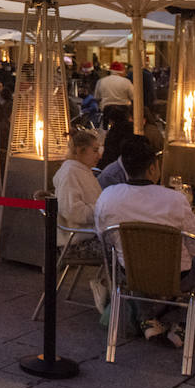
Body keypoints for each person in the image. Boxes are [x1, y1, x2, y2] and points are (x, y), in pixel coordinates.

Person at [94, 137, 195, 348]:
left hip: (131, 275)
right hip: (177, 278)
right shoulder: (175, 200)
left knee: (129, 259)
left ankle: (147, 320)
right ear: (153, 168)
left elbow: (104, 237)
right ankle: (181, 322)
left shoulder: (108, 197)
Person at [53, 128, 108, 311]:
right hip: (77, 240)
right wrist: (100, 210)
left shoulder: (82, 171)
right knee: (124, 250)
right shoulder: (70, 173)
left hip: (88, 234)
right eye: (94, 150)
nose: (98, 155)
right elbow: (72, 211)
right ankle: (107, 287)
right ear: (80, 151)